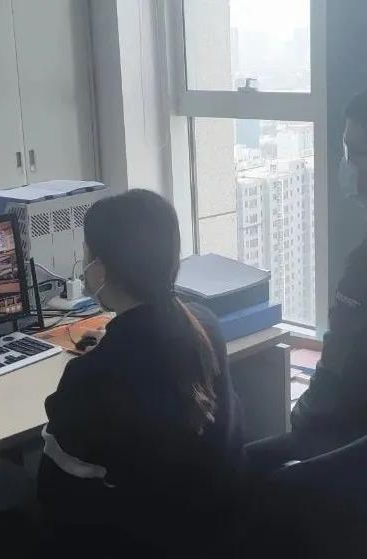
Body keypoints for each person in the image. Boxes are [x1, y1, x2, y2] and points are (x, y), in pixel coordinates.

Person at [37, 189, 244, 558]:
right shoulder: (205, 324)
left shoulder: (94, 374)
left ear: (101, 269)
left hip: (139, 540)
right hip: (213, 530)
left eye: (87, 256)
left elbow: (53, 494)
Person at [247, 89, 367, 472]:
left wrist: (303, 415)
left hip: (343, 448)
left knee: (236, 470)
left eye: (356, 151)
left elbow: (338, 369)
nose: (347, 164)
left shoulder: (362, 268)